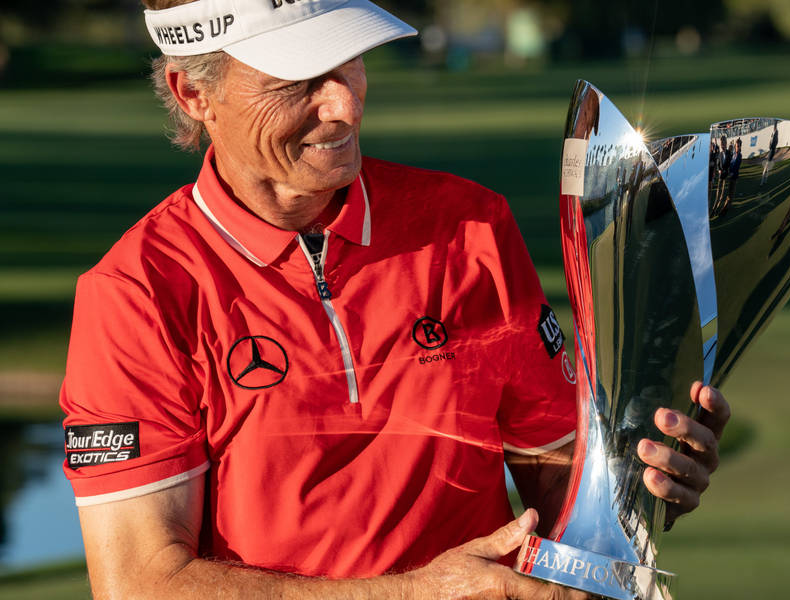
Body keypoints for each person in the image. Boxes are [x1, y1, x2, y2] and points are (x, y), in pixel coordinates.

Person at [60, 1, 731, 598]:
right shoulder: (137, 294)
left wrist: (643, 480)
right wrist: (413, 594)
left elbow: (558, 474)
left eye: (348, 62)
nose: (345, 105)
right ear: (193, 93)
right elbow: (140, 582)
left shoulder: (468, 226)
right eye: (296, 81)